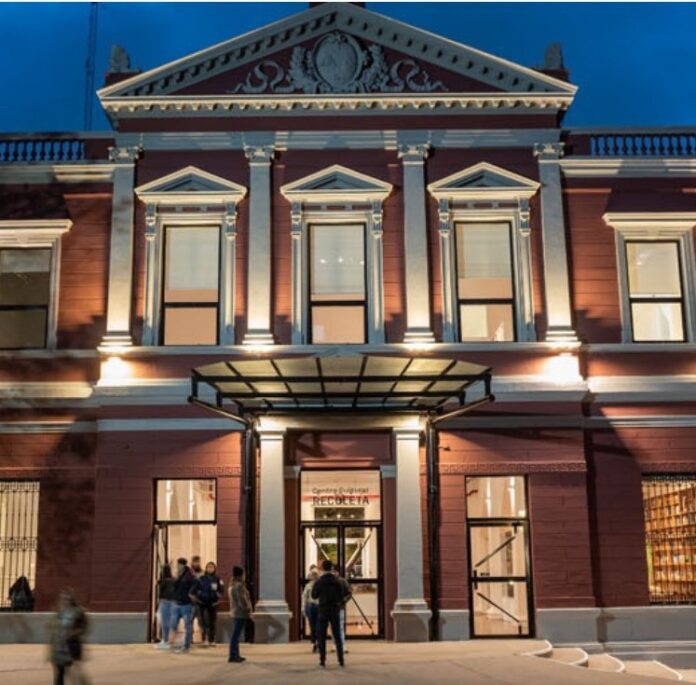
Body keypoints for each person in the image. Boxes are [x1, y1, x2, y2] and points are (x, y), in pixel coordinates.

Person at [311, 560, 349, 669]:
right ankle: (341, 661)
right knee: (337, 635)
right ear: (331, 568)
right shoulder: (337, 581)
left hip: (323, 610)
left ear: (322, 568)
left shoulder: (319, 581)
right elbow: (342, 595)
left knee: (322, 636)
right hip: (334, 610)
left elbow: (314, 595)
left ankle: (322, 661)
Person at [48, 588, 89, 685]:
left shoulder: (78, 612)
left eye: (67, 598)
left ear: (71, 599)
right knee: (59, 673)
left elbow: (84, 628)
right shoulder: (60, 612)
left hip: (72, 646)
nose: (64, 600)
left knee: (75, 673)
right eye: (63, 598)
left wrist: (73, 633)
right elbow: (53, 628)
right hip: (59, 647)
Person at [191, 561, 224, 646]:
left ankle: (211, 640)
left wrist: (217, 597)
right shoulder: (201, 579)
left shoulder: (217, 579)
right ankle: (204, 639)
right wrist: (198, 597)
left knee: (212, 622)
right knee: (204, 622)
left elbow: (221, 590)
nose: (210, 569)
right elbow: (194, 590)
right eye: (208, 567)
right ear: (206, 568)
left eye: (212, 567)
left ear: (214, 569)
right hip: (202, 604)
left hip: (213, 604)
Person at [169, 558, 196, 653]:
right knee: (173, 624)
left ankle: (186, 646)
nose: (178, 566)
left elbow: (196, 584)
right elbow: (174, 586)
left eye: (179, 565)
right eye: (177, 565)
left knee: (187, 625)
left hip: (187, 604)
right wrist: (176, 576)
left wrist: (191, 594)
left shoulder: (189, 575)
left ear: (183, 565)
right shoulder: (179, 574)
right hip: (176, 603)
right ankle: (175, 643)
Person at [228, 566, 252, 664]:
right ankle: (233, 655)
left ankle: (235, 654)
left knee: (236, 635)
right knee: (235, 635)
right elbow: (242, 600)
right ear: (241, 575)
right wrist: (248, 608)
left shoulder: (233, 585)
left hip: (236, 612)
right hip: (240, 613)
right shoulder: (239, 586)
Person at [155, 564, 176, 650]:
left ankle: (165, 640)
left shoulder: (162, 581)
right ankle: (169, 640)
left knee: (164, 622)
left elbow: (159, 587)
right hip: (173, 602)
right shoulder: (174, 580)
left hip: (164, 602)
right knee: (170, 622)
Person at [333, 568, 352, 655]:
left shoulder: (343, 581)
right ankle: (335, 644)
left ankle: (342, 645)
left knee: (340, 626)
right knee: (333, 627)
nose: (333, 573)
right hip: (332, 607)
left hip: (339, 607)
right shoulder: (330, 581)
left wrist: (343, 601)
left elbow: (349, 593)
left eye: (334, 571)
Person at [302, 569, 320, 652]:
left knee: (319, 625)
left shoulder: (320, 585)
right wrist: (303, 608)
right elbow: (304, 597)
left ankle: (318, 642)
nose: (314, 577)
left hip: (319, 606)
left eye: (316, 575)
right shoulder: (308, 586)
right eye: (313, 575)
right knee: (312, 625)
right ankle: (314, 642)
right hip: (311, 606)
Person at [190, 556, 204, 642]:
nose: (196, 563)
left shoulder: (203, 573)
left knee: (201, 620)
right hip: (190, 601)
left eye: (198, 561)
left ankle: (203, 637)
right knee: (189, 621)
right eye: (195, 562)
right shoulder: (189, 573)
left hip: (200, 601)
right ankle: (189, 638)